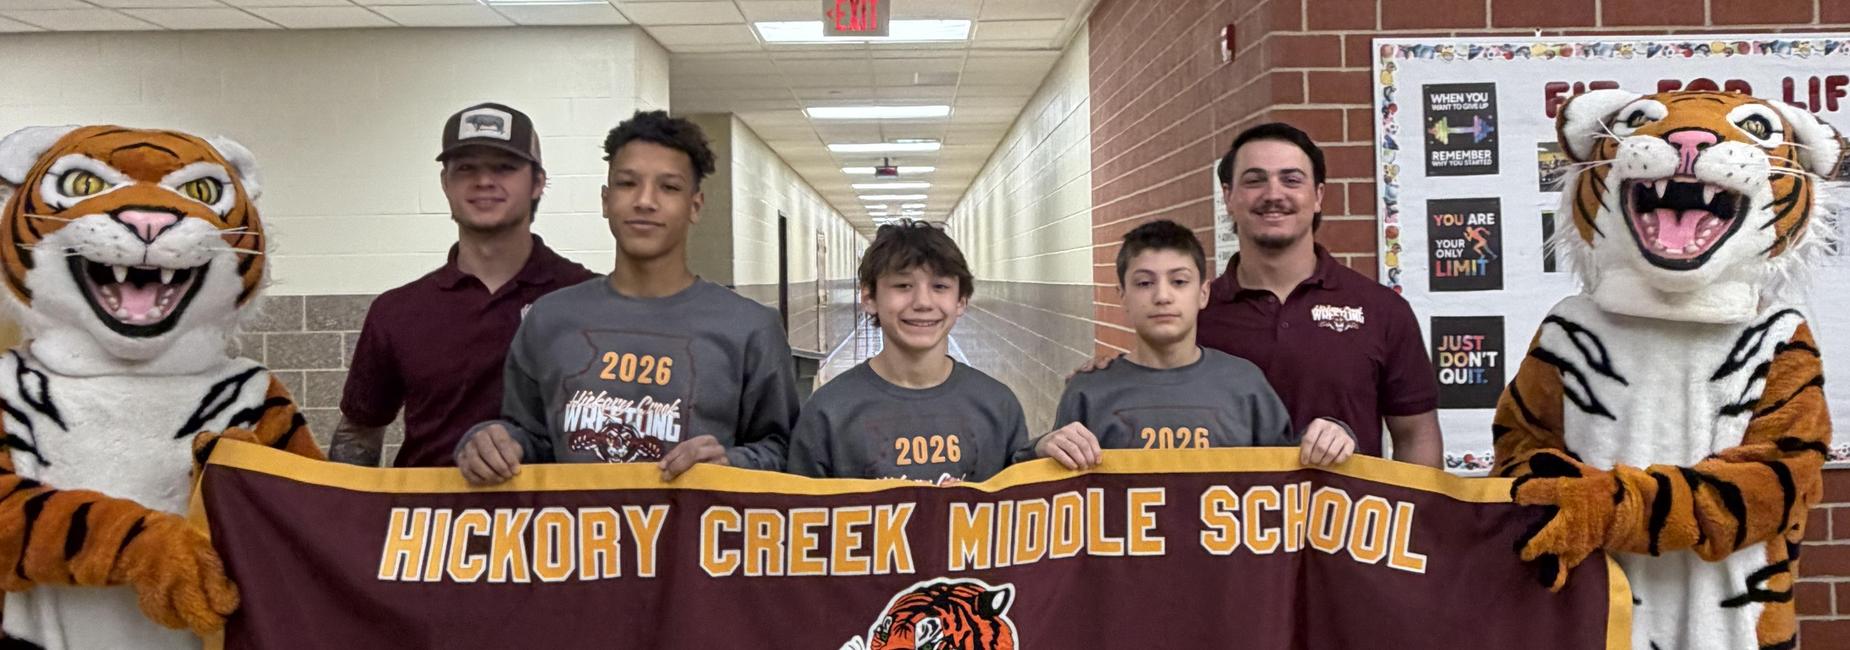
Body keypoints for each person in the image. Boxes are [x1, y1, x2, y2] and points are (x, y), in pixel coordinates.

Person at [454, 110, 799, 484]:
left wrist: (734, 464)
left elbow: (785, 449)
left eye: (668, 187)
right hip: (578, 538)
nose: (645, 201)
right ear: (606, 200)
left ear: (694, 206)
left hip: (694, 536)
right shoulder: (549, 318)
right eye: (627, 183)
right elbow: (529, 436)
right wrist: (490, 443)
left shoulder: (750, 327)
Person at [330, 102, 595, 468]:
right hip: (427, 521)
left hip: (554, 521)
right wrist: (343, 518)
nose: (484, 181)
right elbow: (360, 431)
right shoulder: (398, 312)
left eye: (504, 167)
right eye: (466, 168)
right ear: (445, 184)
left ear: (537, 182)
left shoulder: (590, 299)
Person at [1200, 122, 1441, 466]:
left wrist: (1420, 516)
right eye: (1254, 180)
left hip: (1350, 518)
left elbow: (1416, 433)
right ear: (1228, 197)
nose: (1273, 194)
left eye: (1291, 180)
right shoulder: (1197, 314)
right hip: (1227, 517)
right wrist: (1100, 375)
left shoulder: (1381, 310)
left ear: (1318, 197)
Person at [1027, 220, 1354, 470]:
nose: (1162, 296)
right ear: (1123, 296)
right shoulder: (1089, 391)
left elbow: (1291, 474)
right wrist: (1043, 447)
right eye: (1144, 283)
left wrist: (1335, 435)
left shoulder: (1245, 384)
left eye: (1179, 281)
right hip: (1123, 560)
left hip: (1228, 560)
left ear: (1203, 293)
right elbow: (1049, 489)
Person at [786, 220, 1029, 483]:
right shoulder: (828, 412)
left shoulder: (997, 405)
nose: (923, 302)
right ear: (869, 298)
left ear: (961, 301)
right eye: (903, 286)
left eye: (940, 287)